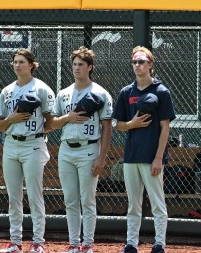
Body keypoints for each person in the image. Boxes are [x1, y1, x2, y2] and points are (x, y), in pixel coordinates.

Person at [48, 47, 114, 253]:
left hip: (89, 149)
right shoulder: (64, 93)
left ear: (90, 67)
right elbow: (51, 124)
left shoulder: (100, 93)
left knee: (87, 198)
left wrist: (102, 158)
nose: (77, 68)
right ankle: (74, 243)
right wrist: (67, 118)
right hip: (66, 150)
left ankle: (87, 244)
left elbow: (107, 128)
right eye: (74, 64)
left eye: (81, 65)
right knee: (70, 199)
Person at [0, 48, 56, 253]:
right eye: (15, 62)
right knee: (13, 196)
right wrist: (11, 120)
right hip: (11, 143)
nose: (17, 65)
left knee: (34, 195)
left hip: (33, 145)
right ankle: (15, 242)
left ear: (31, 65)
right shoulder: (7, 90)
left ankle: (38, 242)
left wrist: (36, 133)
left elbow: (50, 122)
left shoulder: (42, 89)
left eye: (22, 61)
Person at [114, 46, 175, 253]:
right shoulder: (126, 92)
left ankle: (160, 244)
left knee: (157, 203)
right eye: (134, 62)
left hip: (152, 157)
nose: (137, 65)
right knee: (133, 204)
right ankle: (131, 243)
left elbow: (165, 127)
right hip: (131, 156)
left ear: (150, 64)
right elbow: (119, 125)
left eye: (141, 62)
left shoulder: (161, 91)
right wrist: (131, 124)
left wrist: (159, 158)